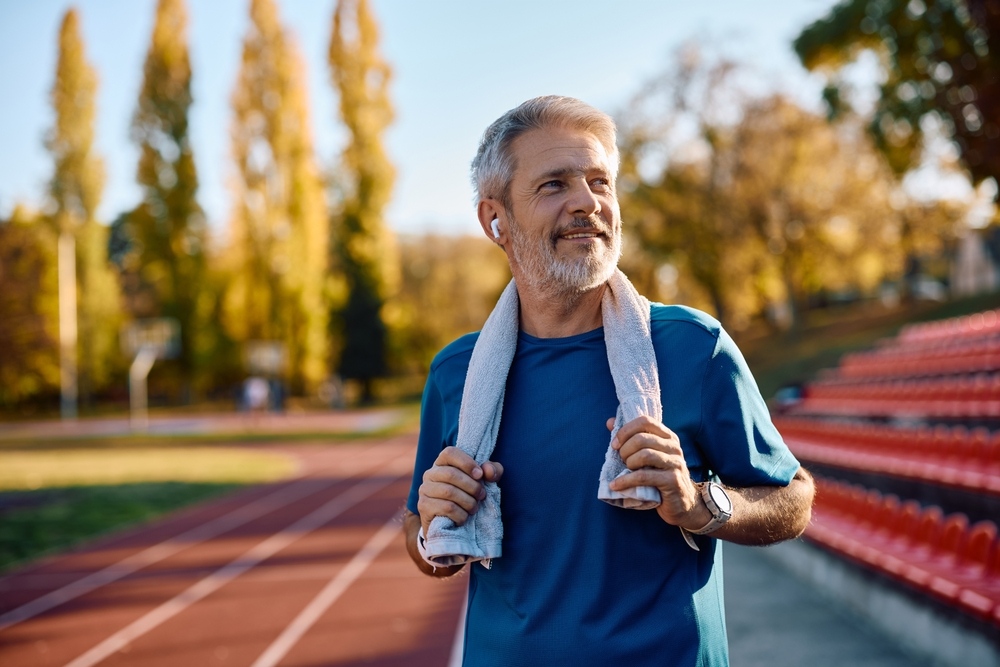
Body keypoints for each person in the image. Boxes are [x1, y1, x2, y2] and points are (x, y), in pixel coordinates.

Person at [403, 95, 814, 667]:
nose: (587, 203)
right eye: (554, 185)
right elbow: (421, 539)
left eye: (600, 181)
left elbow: (793, 500)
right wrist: (429, 527)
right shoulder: (457, 373)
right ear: (495, 219)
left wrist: (699, 503)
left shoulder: (694, 347)